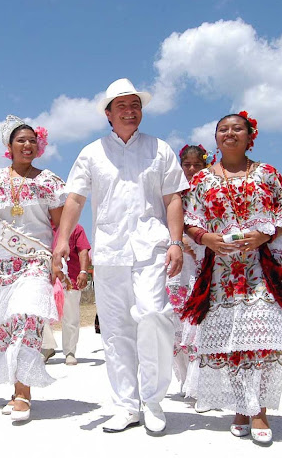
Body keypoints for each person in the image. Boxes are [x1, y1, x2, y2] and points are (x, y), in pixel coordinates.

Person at [53, 78, 187, 434]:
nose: (130, 112)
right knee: (115, 331)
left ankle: (154, 401)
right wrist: (62, 240)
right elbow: (76, 199)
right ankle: (126, 405)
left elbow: (173, 197)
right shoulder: (91, 153)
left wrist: (176, 241)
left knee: (155, 315)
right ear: (109, 115)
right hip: (110, 252)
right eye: (122, 107)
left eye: (135, 106)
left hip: (152, 247)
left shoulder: (160, 149)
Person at [181, 111, 282, 445]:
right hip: (221, 274)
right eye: (223, 129)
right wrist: (205, 238)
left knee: (262, 338)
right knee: (233, 342)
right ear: (216, 137)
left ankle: (260, 410)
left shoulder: (267, 173)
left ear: (251, 135)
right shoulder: (201, 181)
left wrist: (265, 235)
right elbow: (188, 220)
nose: (230, 133)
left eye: (237, 128)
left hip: (262, 270)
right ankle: (240, 405)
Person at [0, 115, 65, 422]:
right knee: (3, 329)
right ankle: (15, 388)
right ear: (9, 147)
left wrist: (57, 256)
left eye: (32, 140)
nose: (27, 145)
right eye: (20, 140)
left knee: (27, 322)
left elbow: (62, 222)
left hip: (34, 262)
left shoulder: (48, 181)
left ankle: (24, 393)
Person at [169, 145, 210, 397]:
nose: (192, 169)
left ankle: (200, 385)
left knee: (198, 327)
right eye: (187, 165)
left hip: (202, 265)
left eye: (197, 165)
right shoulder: (173, 193)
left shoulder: (210, 191)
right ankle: (184, 380)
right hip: (176, 270)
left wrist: (200, 244)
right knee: (175, 328)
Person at [41, 224, 91, 365]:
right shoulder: (43, 226)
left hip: (70, 280)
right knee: (42, 314)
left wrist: (83, 271)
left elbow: (83, 251)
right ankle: (47, 347)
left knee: (71, 318)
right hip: (46, 280)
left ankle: (70, 352)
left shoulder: (75, 228)